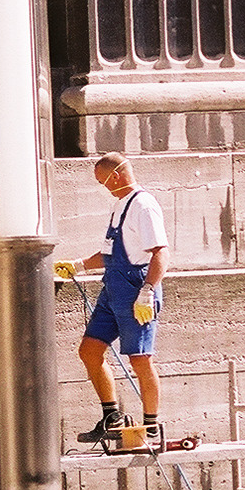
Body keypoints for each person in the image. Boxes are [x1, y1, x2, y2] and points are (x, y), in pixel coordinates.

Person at [55, 152, 168, 445]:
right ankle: (111, 417)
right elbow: (110, 254)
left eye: (103, 182)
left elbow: (160, 253)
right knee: (90, 350)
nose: (104, 188)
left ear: (115, 176)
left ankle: (151, 427)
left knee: (140, 359)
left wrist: (147, 291)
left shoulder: (144, 205)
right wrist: (78, 265)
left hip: (135, 289)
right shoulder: (120, 208)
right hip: (113, 287)